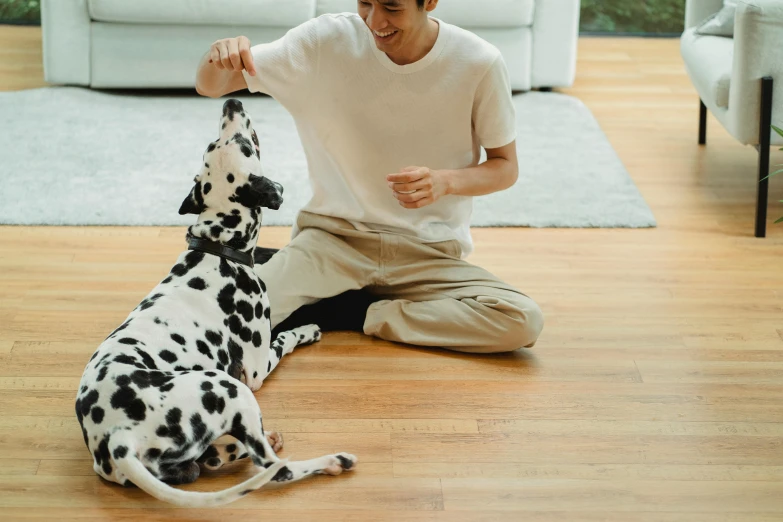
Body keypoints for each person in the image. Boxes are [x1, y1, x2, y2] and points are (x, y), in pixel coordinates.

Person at [195, 0, 544, 353]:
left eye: (392, 7)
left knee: (520, 320)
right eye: (366, 3)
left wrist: (446, 182)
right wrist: (217, 57)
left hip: (427, 251)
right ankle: (304, 278)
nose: (375, 20)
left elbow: (505, 166)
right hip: (333, 241)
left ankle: (356, 311)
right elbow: (212, 85)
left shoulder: (478, 63)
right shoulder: (325, 41)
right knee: (223, 322)